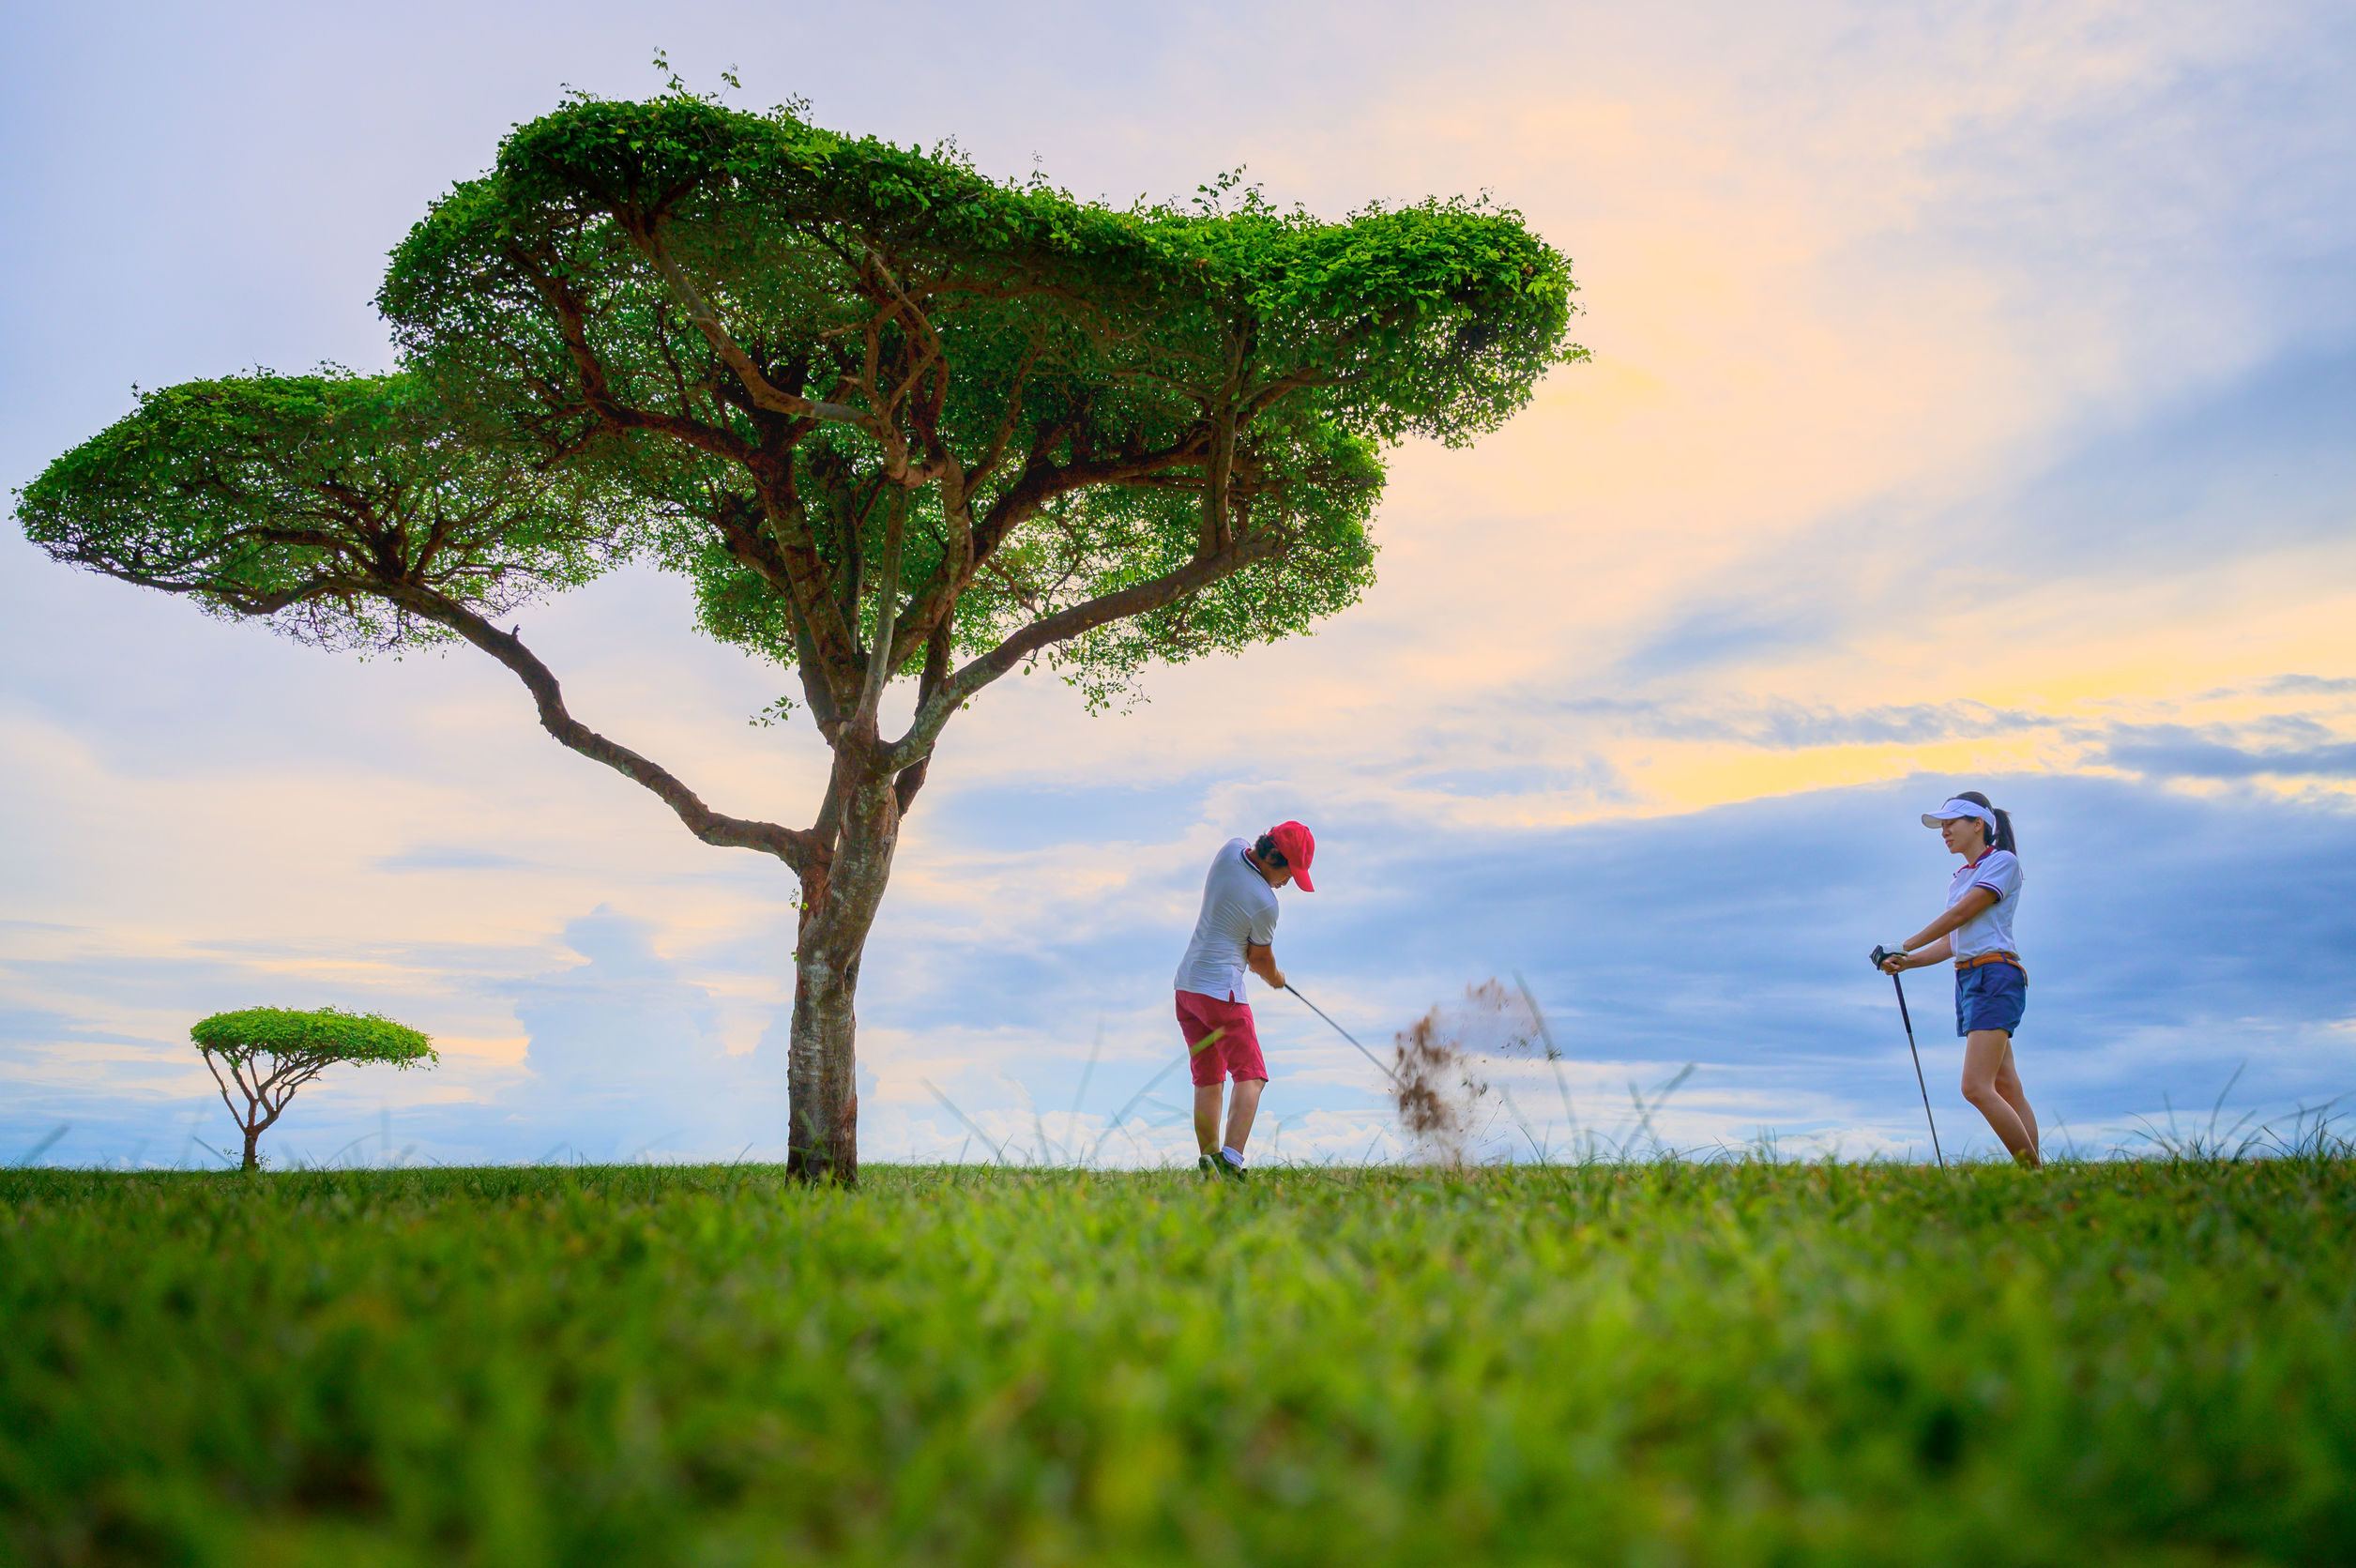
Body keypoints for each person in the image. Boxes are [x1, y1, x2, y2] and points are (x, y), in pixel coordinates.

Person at [1879, 792, 2040, 1167]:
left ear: (1978, 824)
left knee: (1975, 1087)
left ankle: (2033, 1173)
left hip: (1995, 975)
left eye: (1951, 823)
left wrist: (1903, 944)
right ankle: (2040, 1177)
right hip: (1971, 979)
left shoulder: (2003, 862)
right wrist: (1907, 960)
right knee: (2005, 1084)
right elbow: (1954, 941)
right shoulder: (1961, 877)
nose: (1944, 831)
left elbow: (1962, 915)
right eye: (1942, 825)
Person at [1173, 821, 1316, 1180]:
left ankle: (1210, 1164)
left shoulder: (1229, 850)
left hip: (1187, 988)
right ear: (1273, 857)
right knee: (1251, 1076)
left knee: (1208, 1079)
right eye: (1288, 873)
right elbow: (1259, 960)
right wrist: (1277, 979)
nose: (1286, 883)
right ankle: (1231, 1164)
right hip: (1222, 994)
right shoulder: (1265, 903)